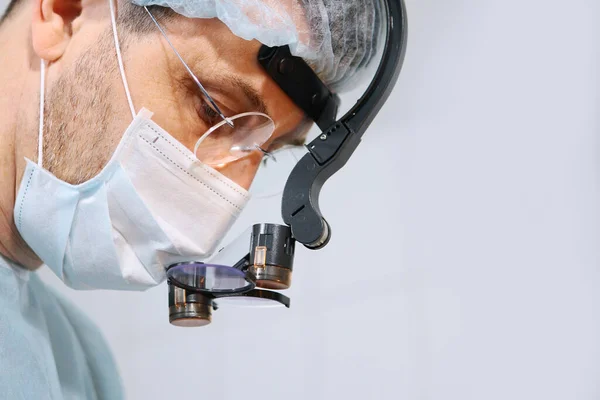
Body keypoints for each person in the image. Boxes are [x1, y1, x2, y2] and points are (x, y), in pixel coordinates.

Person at [0, 0, 381, 397]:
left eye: (262, 156)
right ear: (67, 14)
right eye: (213, 111)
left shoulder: (80, 366)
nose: (222, 203)